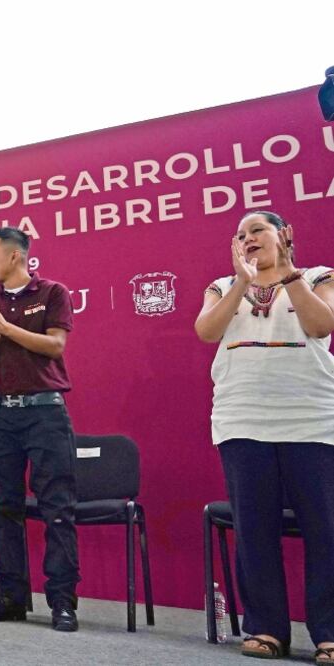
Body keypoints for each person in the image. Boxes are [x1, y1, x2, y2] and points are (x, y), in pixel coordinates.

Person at [195, 210, 334, 663]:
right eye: (240, 234)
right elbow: (206, 330)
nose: (247, 238)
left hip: (312, 421)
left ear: (283, 236)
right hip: (242, 420)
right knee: (254, 529)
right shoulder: (221, 285)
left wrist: (290, 273)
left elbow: (319, 326)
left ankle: (328, 631)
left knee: (325, 530)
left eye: (257, 230)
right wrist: (240, 281)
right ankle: (266, 628)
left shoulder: (317, 277)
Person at [0, 227, 80, 632]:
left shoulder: (52, 293)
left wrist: (7, 329)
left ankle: (62, 602)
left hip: (44, 413)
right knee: (4, 508)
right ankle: (13, 598)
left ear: (15, 256)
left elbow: (55, 346)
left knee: (57, 508)